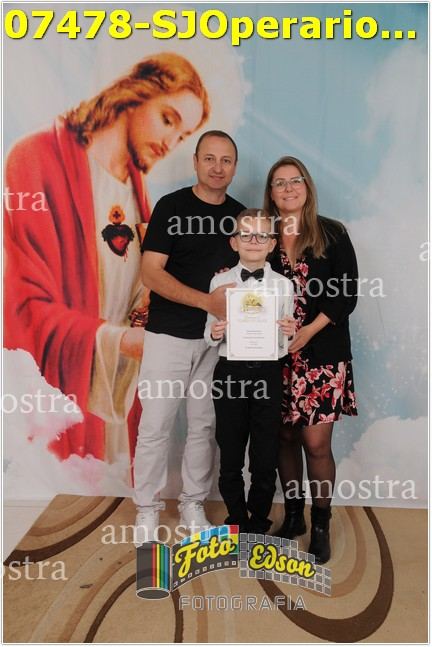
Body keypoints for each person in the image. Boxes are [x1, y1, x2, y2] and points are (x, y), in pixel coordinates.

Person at [4, 53, 209, 464]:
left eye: (183, 136)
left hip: (115, 402)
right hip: (68, 403)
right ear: (136, 94)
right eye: (168, 119)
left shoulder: (139, 194)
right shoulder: (37, 158)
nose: (171, 143)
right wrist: (122, 342)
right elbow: (25, 307)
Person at [133, 130, 246, 540]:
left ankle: (192, 505)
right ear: (196, 161)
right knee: (155, 425)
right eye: (210, 158)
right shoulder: (172, 206)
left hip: (217, 341)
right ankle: (146, 509)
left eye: (226, 160)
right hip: (168, 336)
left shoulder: (240, 216)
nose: (218, 167)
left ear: (235, 166)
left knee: (203, 426)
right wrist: (206, 302)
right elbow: (150, 273)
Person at [263, 156, 358, 563]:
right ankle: (294, 516)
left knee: (315, 443)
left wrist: (308, 331)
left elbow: (346, 293)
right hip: (274, 356)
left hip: (321, 354)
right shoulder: (263, 236)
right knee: (283, 437)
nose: (288, 188)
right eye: (279, 182)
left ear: (307, 186)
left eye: (295, 180)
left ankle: (321, 524)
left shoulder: (332, 233)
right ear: (271, 193)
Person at [204, 209, 295, 533]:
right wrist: (216, 332)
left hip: (268, 373)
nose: (254, 241)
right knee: (230, 448)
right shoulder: (219, 282)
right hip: (230, 372)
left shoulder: (284, 285)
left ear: (271, 244)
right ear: (234, 242)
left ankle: (258, 521)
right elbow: (208, 333)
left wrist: (288, 331)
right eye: (246, 235)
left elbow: (285, 341)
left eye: (262, 235)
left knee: (265, 451)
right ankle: (236, 518)